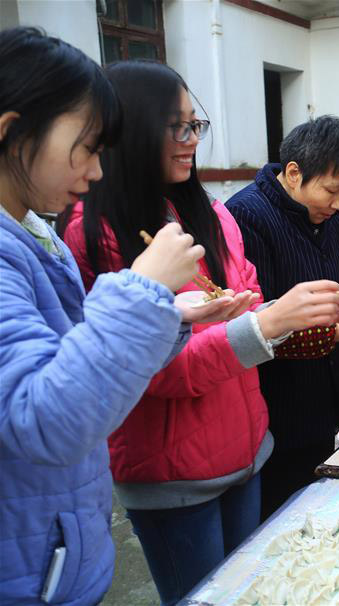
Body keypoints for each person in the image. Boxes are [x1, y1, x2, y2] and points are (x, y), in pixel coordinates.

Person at [61, 61, 339, 606]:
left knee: (252, 591)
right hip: (171, 472)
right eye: (174, 127)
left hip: (245, 451)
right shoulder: (93, 234)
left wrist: (268, 317)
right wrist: (264, 323)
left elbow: (244, 308)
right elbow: (152, 369)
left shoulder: (213, 215)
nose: (189, 140)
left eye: (194, 126)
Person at [0, 28, 208, 605]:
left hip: (58, 554)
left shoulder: (36, 234)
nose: (95, 171)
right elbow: (47, 418)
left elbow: (83, 367)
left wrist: (168, 312)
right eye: (87, 146)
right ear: (12, 134)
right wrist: (144, 290)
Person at [226, 117, 339, 519]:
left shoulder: (327, 217)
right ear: (293, 173)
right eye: (332, 190)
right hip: (280, 406)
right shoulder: (247, 217)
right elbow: (258, 327)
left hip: (329, 398)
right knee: (285, 517)